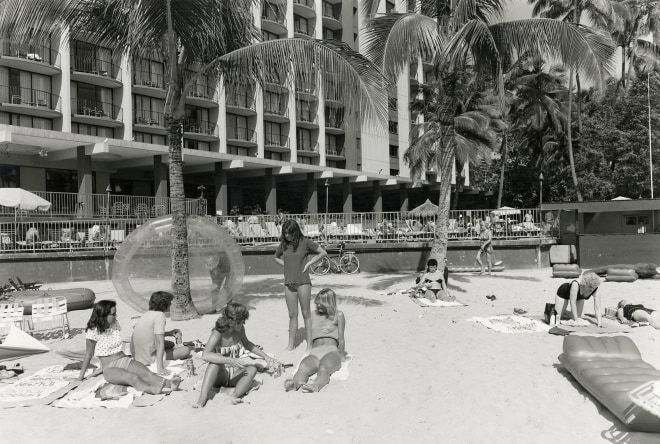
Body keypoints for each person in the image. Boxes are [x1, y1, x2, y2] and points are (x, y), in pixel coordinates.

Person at [78, 300, 181, 394]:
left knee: (147, 374)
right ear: (103, 315)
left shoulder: (115, 324)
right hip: (109, 367)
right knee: (134, 378)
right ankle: (153, 390)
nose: (116, 316)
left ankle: (170, 383)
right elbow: (89, 354)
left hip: (123, 359)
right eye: (113, 314)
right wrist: (80, 377)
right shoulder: (93, 331)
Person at [194, 302, 280, 407]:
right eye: (241, 321)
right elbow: (205, 355)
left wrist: (266, 356)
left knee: (252, 369)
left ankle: (234, 396)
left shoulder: (240, 330)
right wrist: (230, 360)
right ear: (231, 321)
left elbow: (247, 344)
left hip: (235, 373)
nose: (244, 323)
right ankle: (202, 399)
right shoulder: (218, 333)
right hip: (220, 374)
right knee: (214, 363)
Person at [274, 219, 327, 351]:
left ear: (295, 231)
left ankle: (309, 345)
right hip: (288, 283)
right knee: (292, 314)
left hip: (303, 282)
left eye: (289, 233)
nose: (287, 236)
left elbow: (323, 252)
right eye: (285, 233)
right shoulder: (284, 245)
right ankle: (291, 345)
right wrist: (286, 265)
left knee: (306, 314)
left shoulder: (305, 242)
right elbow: (276, 257)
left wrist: (309, 263)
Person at [284, 288, 346, 393]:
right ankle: (294, 385)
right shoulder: (313, 314)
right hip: (315, 352)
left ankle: (316, 386)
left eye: (321, 304)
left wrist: (342, 356)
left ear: (329, 303)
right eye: (317, 304)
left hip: (331, 351)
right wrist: (308, 349)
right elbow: (309, 334)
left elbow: (341, 338)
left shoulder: (338, 315)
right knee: (303, 367)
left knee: (323, 368)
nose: (318, 306)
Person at [131, 291, 192, 375]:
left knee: (170, 344)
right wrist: (160, 368)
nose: (171, 305)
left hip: (138, 354)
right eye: (170, 303)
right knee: (186, 350)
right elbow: (160, 343)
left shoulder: (147, 314)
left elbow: (150, 332)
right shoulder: (160, 316)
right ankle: (159, 359)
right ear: (164, 304)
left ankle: (162, 354)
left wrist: (169, 333)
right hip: (148, 359)